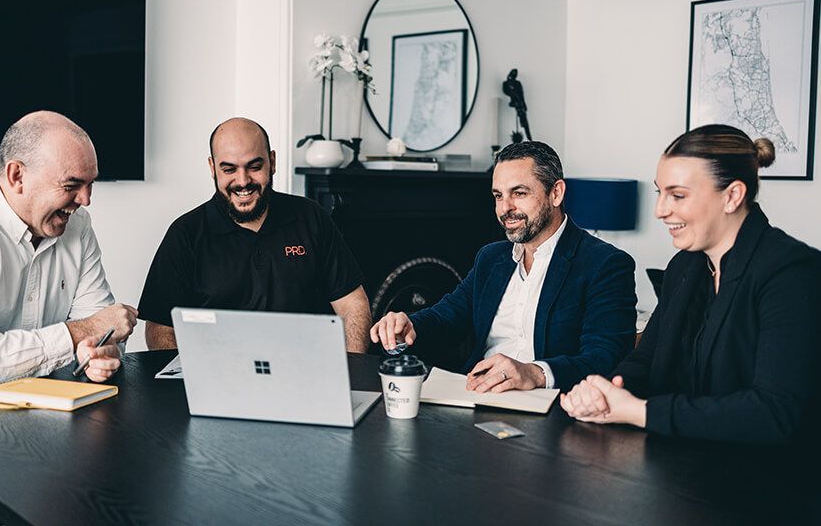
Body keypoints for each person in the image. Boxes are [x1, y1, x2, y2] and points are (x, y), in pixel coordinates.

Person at [0, 111, 137, 524]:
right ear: (17, 175)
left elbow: (103, 324)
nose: (86, 200)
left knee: (114, 501)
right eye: (72, 185)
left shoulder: (78, 225)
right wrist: (80, 334)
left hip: (41, 422)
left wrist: (100, 349)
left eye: (90, 184)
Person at [561, 124, 821, 444]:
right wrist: (607, 392)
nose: (660, 211)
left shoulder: (792, 272)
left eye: (678, 195)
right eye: (661, 192)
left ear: (732, 196)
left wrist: (639, 412)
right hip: (682, 463)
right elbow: (646, 360)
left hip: (766, 478)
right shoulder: (685, 266)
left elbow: (773, 412)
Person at [371, 141, 637, 392]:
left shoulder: (605, 264)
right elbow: (447, 317)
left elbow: (605, 358)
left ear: (556, 193)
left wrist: (534, 373)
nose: (505, 208)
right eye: (498, 196)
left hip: (553, 408)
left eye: (519, 193)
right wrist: (409, 326)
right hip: (477, 395)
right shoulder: (491, 258)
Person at [139, 117, 371, 352]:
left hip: (306, 372)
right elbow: (161, 328)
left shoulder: (312, 217)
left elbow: (353, 306)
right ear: (212, 168)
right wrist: (184, 381)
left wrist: (352, 374)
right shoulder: (185, 234)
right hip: (219, 379)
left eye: (254, 167)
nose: (243, 181)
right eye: (229, 169)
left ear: (272, 161)